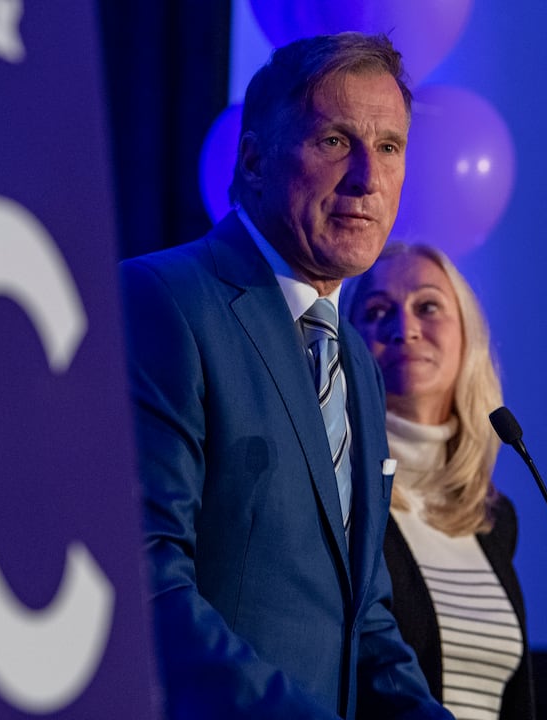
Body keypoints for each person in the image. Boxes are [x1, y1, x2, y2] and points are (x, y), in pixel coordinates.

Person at [120, 33, 452, 719]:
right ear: (253, 161)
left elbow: (364, 617)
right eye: (334, 141)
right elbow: (145, 576)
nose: (367, 177)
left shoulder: (356, 361)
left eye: (389, 147)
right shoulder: (167, 301)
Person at [342, 243, 534, 719]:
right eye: (377, 311)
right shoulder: (338, 493)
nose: (404, 329)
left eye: (427, 307)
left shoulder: (494, 519)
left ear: (468, 337)